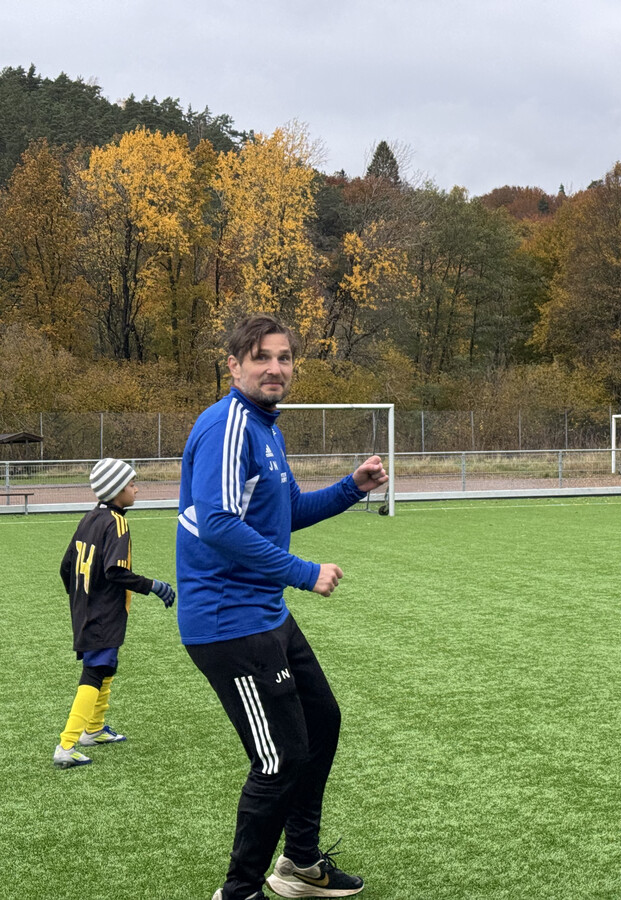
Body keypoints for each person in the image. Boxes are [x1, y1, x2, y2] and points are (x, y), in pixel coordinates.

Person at [176, 314, 388, 900]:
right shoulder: (227, 425)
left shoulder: (267, 429)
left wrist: (351, 488)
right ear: (234, 365)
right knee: (279, 759)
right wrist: (302, 572)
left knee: (321, 723)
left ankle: (298, 864)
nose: (275, 368)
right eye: (261, 357)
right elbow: (218, 523)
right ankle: (239, 890)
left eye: (284, 357)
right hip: (228, 621)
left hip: (266, 613)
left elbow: (285, 511)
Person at [55, 458, 175, 769]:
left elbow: (66, 567)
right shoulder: (116, 523)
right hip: (103, 612)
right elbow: (115, 571)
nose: (137, 489)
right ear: (116, 490)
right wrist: (153, 586)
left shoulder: (89, 517)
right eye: (132, 484)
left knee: (107, 665)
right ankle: (67, 745)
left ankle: (93, 730)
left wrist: (81, 599)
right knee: (95, 670)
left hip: (87, 609)